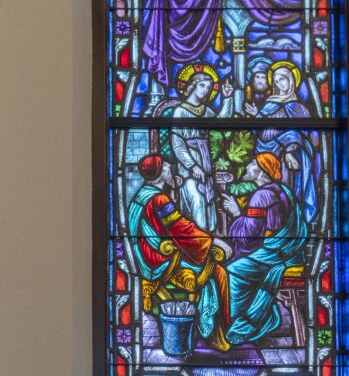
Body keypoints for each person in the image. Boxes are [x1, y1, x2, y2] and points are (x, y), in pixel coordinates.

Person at [128, 154, 230, 352]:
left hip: (146, 258)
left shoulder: (141, 196)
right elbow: (180, 229)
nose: (170, 170)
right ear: (158, 175)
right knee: (217, 273)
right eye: (166, 168)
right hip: (162, 261)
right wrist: (212, 241)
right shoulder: (158, 199)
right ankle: (214, 333)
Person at [222, 152, 308, 345]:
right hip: (288, 250)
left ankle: (252, 322)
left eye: (252, 163)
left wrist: (236, 213)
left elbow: (249, 236)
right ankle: (262, 315)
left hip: (274, 253)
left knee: (233, 271)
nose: (247, 167)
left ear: (261, 172)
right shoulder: (282, 190)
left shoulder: (262, 195)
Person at [244, 61, 318, 224]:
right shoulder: (268, 105)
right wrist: (257, 117)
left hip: (291, 162)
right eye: (276, 81)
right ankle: (271, 226)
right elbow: (260, 134)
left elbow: (309, 139)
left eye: (283, 79)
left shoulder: (300, 108)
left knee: (290, 193)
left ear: (291, 80)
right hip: (268, 158)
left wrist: (291, 149)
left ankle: (293, 226)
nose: (279, 84)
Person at [170, 64, 233, 232]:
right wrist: (192, 166)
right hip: (188, 166)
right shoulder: (180, 112)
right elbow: (177, 143)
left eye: (209, 87)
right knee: (196, 199)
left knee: (208, 201)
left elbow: (222, 123)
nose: (206, 90)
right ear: (192, 86)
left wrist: (227, 98)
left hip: (206, 163)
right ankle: (197, 243)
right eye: (202, 85)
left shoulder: (206, 111)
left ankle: (209, 239)